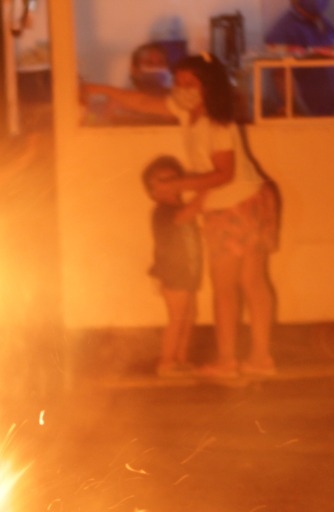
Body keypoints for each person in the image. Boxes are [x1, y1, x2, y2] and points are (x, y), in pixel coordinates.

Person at [82, 55, 280, 378]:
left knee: (228, 287)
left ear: (208, 85)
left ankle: (228, 362)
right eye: (179, 81)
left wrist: (179, 184)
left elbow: (223, 174)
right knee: (251, 282)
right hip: (252, 200)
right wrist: (98, 89)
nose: (183, 88)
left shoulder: (215, 123)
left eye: (192, 82)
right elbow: (143, 101)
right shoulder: (188, 113)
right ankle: (260, 360)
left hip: (235, 206)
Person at [142, 155, 205, 377]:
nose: (169, 183)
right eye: (162, 180)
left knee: (190, 316)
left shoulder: (181, 207)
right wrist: (205, 191)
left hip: (188, 272)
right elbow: (183, 218)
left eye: (173, 178)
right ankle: (166, 362)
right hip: (172, 273)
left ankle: (180, 359)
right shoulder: (162, 211)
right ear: (152, 191)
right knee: (177, 318)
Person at [264, 0, 334, 116]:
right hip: (311, 120)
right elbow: (281, 79)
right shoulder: (281, 32)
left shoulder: (326, 25)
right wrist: (299, 114)